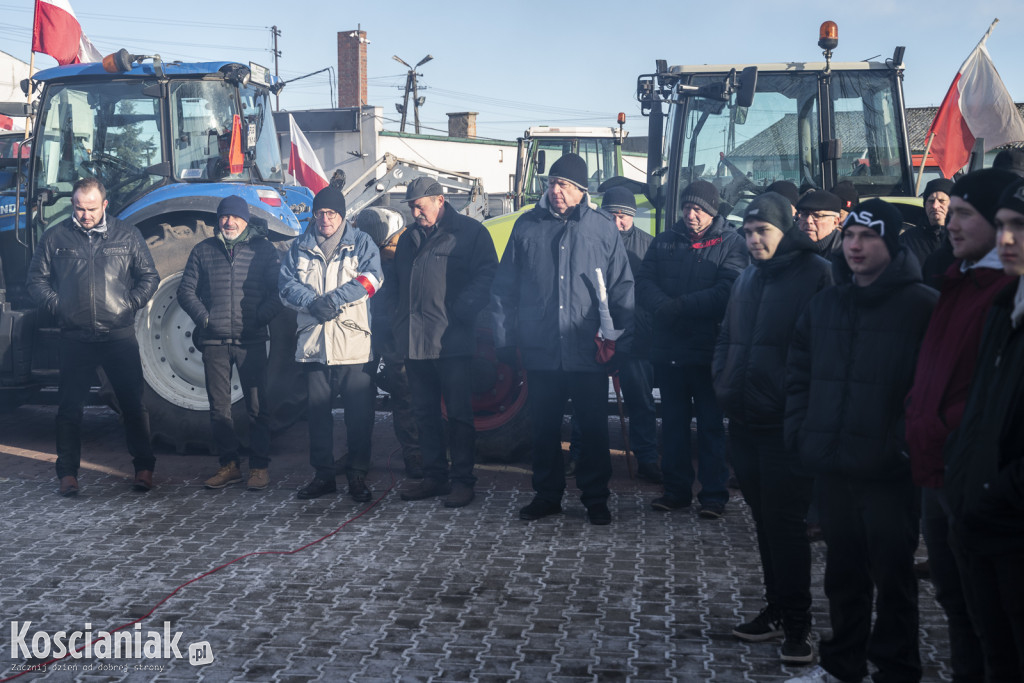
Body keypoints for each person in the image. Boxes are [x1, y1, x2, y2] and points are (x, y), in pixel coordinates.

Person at [784, 199, 938, 683]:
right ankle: (841, 666)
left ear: (890, 242)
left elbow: (930, 389)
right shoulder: (826, 302)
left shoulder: (921, 306)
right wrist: (802, 432)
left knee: (893, 580)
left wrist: (901, 447)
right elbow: (799, 374)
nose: (855, 245)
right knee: (843, 577)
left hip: (890, 473)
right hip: (833, 467)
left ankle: (896, 670)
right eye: (850, 235)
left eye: (868, 237)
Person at [903, 168, 1017, 683]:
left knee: (992, 620)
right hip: (941, 467)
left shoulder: (995, 291)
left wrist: (952, 434)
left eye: (967, 213)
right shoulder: (956, 276)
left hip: (976, 477)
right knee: (956, 599)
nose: (950, 220)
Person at [712, 192, 832, 664]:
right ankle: (778, 608)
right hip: (744, 420)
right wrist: (723, 381)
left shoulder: (817, 276)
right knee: (764, 523)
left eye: (763, 231)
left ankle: (799, 625)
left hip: (785, 426)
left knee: (786, 527)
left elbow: (823, 352)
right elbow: (727, 336)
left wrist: (799, 409)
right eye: (747, 232)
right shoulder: (745, 278)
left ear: (788, 232)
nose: (753, 240)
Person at [491, 153, 633, 525]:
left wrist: (621, 341)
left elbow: (622, 288)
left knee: (593, 429)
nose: (555, 190)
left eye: (564, 185)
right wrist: (504, 339)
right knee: (544, 427)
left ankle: (596, 498)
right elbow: (504, 288)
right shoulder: (526, 226)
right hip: (541, 349)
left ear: (581, 191)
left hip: (588, 350)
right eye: (552, 183)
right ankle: (547, 494)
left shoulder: (602, 229)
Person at [26, 177, 159, 496]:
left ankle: (143, 468)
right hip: (75, 338)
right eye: (78, 208)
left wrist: (128, 305)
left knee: (133, 406)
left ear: (105, 205)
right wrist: (60, 306)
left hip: (118, 335)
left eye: (91, 208)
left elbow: (149, 277)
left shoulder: (127, 235)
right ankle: (67, 475)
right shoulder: (56, 237)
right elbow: (35, 281)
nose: (84, 215)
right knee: (69, 409)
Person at [943, 177, 1024, 682]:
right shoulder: (1004, 311)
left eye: (1020, 227)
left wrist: (994, 490)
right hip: (982, 524)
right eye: (1003, 227)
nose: (1007, 240)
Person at [636, 179, 748, 519]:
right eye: (687, 207)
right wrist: (663, 306)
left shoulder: (731, 244)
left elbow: (727, 290)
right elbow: (644, 282)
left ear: (712, 212)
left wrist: (680, 306)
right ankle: (676, 491)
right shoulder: (665, 242)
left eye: (698, 209)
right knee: (672, 424)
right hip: (670, 352)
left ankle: (713, 495)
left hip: (708, 352)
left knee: (712, 427)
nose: (691, 214)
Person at [393, 177, 498, 508]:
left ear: (439, 200)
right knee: (423, 413)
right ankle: (434, 477)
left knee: (458, 415)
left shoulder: (469, 233)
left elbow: (488, 275)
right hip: (415, 340)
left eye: (419, 205)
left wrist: (462, 310)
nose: (415, 212)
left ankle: (463, 481)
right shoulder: (409, 239)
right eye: (411, 206)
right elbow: (396, 285)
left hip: (451, 340)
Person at [278, 185, 383, 501]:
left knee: (359, 417)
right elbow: (285, 287)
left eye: (331, 213)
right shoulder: (298, 247)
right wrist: (311, 303)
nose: (325, 218)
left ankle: (357, 476)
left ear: (342, 216)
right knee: (318, 418)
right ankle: (323, 476)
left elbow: (372, 280)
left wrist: (332, 300)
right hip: (314, 347)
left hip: (354, 346)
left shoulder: (361, 243)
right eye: (320, 212)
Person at [177, 195, 283, 491]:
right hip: (214, 341)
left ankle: (259, 468)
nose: (229, 222)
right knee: (218, 408)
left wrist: (260, 318)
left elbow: (279, 292)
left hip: (250, 341)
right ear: (218, 220)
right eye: (224, 217)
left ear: (245, 220)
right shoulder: (203, 251)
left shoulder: (263, 250)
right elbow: (186, 292)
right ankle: (229, 466)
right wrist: (205, 319)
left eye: (235, 217)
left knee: (257, 407)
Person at [566, 185, 660, 483]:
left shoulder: (648, 246)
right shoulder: (587, 237)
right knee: (585, 401)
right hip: (592, 336)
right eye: (613, 215)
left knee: (640, 401)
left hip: (635, 337)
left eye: (625, 216)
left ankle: (646, 458)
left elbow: (650, 294)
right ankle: (579, 454)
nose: (619, 222)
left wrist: (632, 329)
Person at [356, 207, 422, 480]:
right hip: (366, 329)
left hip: (396, 331)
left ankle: (415, 455)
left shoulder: (406, 250)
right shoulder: (369, 252)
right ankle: (358, 455)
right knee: (358, 395)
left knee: (405, 394)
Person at [902, 178, 954, 285]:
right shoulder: (908, 239)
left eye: (941, 201)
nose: (935, 206)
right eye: (931, 201)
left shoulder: (961, 239)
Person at [794, 190, 843, 257]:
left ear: (835, 222)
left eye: (817, 216)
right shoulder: (788, 248)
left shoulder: (846, 252)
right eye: (805, 214)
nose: (809, 221)